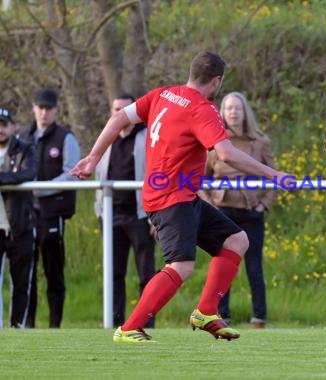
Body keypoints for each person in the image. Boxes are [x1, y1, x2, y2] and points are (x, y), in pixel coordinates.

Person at [71, 51, 292, 343]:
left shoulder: (164, 94)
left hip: (181, 196)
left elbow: (118, 119)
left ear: (191, 73)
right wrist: (273, 174)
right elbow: (225, 154)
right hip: (170, 198)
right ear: (216, 81)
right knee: (181, 266)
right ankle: (128, 328)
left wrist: (92, 157)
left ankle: (206, 312)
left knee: (236, 240)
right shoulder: (203, 108)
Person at [200, 92, 277, 329]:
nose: (233, 112)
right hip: (223, 212)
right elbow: (200, 180)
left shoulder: (260, 142)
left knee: (254, 267)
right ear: (222, 113)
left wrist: (264, 204)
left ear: (245, 113)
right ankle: (221, 314)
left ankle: (259, 317)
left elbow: (274, 177)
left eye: (237, 108)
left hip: (252, 211)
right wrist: (211, 205)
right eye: (229, 108)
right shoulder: (213, 142)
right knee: (224, 264)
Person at [94, 93, 156, 328]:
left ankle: (145, 323)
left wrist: (155, 218)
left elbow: (156, 176)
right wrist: (100, 212)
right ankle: (115, 320)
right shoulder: (106, 140)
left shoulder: (147, 137)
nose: (119, 114)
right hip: (111, 216)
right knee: (114, 272)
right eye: (115, 109)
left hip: (141, 216)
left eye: (124, 110)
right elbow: (99, 177)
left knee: (146, 274)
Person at [25, 88, 81, 328]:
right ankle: (25, 324)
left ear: (56, 110)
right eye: (40, 107)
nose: (44, 113)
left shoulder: (65, 137)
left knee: (53, 272)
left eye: (48, 108)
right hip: (26, 214)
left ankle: (54, 325)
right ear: (34, 108)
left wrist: (41, 188)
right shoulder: (24, 138)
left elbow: (73, 173)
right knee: (26, 274)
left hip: (52, 214)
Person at [0, 107, 37, 328]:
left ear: (13, 127)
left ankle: (17, 328)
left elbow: (28, 173)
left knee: (21, 283)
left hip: (20, 226)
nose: (0, 130)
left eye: (4, 125)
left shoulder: (25, 148)